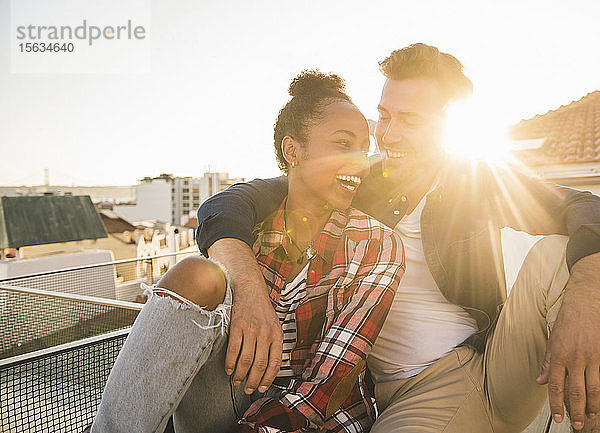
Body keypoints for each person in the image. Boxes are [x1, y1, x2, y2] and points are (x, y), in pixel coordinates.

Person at [195, 44, 600, 433]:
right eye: (385, 116)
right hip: (383, 391)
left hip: (478, 370)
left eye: (411, 120)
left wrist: (588, 294)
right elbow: (227, 205)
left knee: (557, 256)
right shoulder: (353, 178)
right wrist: (247, 287)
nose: (388, 135)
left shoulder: (478, 184)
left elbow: (584, 206)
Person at [90, 70, 405, 433]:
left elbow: (329, 383)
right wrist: (249, 291)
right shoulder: (245, 235)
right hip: (229, 401)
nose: (359, 162)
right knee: (196, 273)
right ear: (293, 151)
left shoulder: (375, 243)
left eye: (363, 150)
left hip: (319, 420)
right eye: (342, 144)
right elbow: (218, 210)